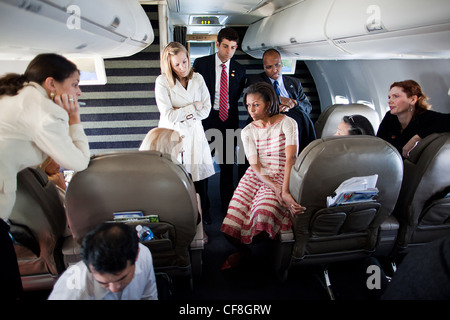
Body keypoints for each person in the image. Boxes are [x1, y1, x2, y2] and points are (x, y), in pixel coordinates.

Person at [0, 53, 90, 300]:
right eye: (74, 84)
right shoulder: (46, 111)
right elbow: (79, 162)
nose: (79, 92)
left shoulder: (12, 95)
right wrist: (74, 119)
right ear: (51, 84)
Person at [220, 82, 306, 269]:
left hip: (281, 173)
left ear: (268, 103)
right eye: (248, 105)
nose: (251, 109)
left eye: (256, 104)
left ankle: (267, 253)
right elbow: (255, 166)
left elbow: (291, 157)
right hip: (256, 175)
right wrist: (275, 190)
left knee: (262, 216)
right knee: (231, 223)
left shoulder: (287, 123)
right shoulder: (248, 131)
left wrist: (283, 190)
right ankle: (244, 252)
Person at [155, 42, 215, 221]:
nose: (182, 67)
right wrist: (193, 107)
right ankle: (185, 216)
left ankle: (204, 213)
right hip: (175, 136)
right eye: (177, 64)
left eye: (185, 61)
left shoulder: (198, 79)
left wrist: (181, 111)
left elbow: (206, 111)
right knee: (179, 179)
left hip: (195, 133)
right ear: (169, 65)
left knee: (200, 179)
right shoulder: (162, 82)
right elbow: (168, 116)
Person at [193, 27, 247, 218]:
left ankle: (227, 207)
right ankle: (203, 210)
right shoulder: (201, 64)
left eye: (233, 47)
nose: (229, 52)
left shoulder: (240, 70)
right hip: (207, 120)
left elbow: (238, 94)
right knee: (203, 166)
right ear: (217, 45)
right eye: (225, 46)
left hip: (229, 121)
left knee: (227, 167)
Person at [48, 222, 158, 300]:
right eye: (103, 282)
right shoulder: (72, 291)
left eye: (122, 278)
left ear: (136, 255)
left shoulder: (144, 255)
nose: (114, 289)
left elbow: (148, 296)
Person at [246, 48, 316, 154]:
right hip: (269, 121)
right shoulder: (256, 81)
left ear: (282, 64)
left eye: (277, 65)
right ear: (264, 68)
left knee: (303, 119)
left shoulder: (294, 83)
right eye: (269, 67)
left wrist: (294, 103)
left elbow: (308, 107)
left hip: (295, 122)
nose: (274, 70)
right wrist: (279, 99)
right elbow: (258, 99)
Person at [377, 80, 450, 157]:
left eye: (396, 96)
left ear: (413, 100)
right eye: (389, 97)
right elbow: (378, 144)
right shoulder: (390, 117)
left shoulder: (426, 117)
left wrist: (416, 138)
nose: (389, 101)